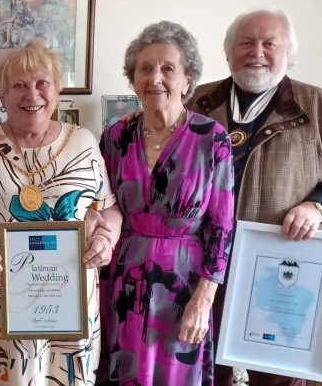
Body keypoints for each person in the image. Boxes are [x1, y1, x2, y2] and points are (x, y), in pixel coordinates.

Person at [186, 8, 322, 386]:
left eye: (270, 43)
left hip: (280, 267)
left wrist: (319, 205)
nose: (257, 51)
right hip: (200, 264)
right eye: (246, 42)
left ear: (288, 52)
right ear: (229, 52)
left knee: (277, 378)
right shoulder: (195, 102)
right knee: (203, 369)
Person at [0, 39, 123, 385]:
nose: (33, 94)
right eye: (19, 85)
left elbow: (109, 208)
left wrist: (106, 238)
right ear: (2, 95)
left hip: (70, 305)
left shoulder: (83, 142)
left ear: (56, 89)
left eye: (43, 83)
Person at [96, 21, 235, 385]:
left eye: (168, 68)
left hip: (183, 285)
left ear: (187, 80)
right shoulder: (115, 136)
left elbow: (222, 227)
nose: (155, 78)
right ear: (133, 80)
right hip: (123, 284)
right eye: (145, 68)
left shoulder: (212, 139)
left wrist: (204, 299)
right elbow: (100, 207)